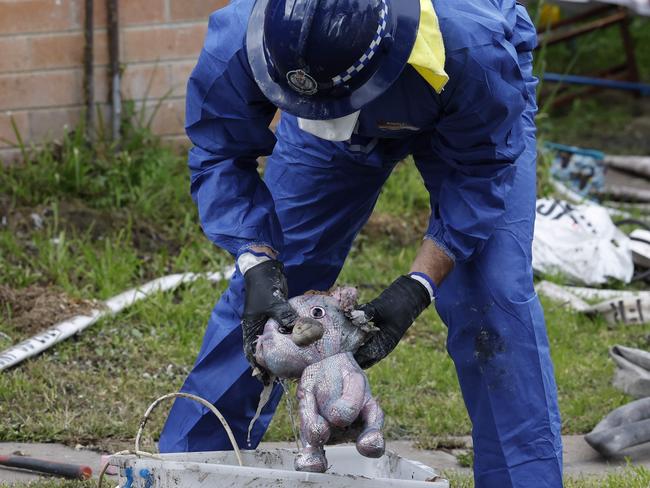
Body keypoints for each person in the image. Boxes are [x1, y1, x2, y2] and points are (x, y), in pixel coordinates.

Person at [159, 0, 564, 486]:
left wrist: (419, 285)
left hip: (452, 98)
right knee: (269, 308)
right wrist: (257, 261)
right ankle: (191, 471)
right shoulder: (243, 39)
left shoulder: (472, 46)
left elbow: (484, 172)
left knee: (493, 301)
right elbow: (220, 151)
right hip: (322, 122)